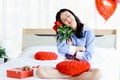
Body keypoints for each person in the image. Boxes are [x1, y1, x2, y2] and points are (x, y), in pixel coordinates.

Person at [36, 8, 101, 80]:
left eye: (68, 15)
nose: (68, 19)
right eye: (64, 20)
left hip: (83, 66)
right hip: (68, 65)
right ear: (63, 24)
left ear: (73, 15)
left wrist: (70, 49)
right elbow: (61, 49)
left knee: (98, 73)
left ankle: (70, 77)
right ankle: (75, 77)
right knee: (40, 71)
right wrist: (78, 49)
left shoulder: (88, 32)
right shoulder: (63, 32)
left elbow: (88, 57)